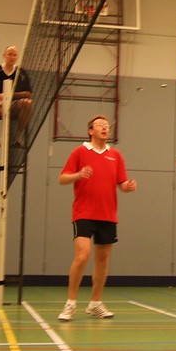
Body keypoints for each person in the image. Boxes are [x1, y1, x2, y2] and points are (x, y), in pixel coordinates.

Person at [57, 115, 137, 321]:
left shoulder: (116, 155)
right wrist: (78, 175)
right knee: (82, 256)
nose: (104, 128)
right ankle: (70, 303)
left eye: (106, 125)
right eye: (100, 125)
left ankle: (95, 303)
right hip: (83, 213)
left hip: (107, 214)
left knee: (103, 260)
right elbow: (62, 179)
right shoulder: (79, 152)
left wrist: (127, 186)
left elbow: (121, 183)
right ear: (90, 131)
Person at [0, 45, 33, 146]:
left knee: (27, 103)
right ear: (4, 55)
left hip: (14, 106)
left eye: (14, 55)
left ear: (17, 57)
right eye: (9, 54)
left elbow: (28, 93)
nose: (12, 57)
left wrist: (10, 95)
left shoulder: (21, 73)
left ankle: (18, 137)